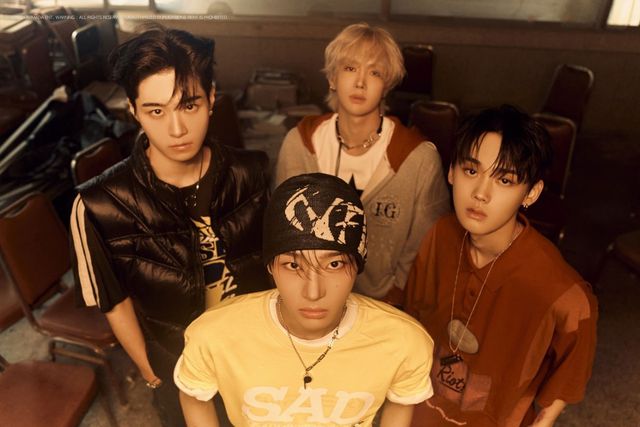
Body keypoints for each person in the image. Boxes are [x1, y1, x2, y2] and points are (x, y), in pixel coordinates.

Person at [70, 26, 270, 426]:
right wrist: (152, 373)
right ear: (133, 110)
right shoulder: (97, 204)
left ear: (211, 98)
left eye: (189, 105)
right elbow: (113, 301)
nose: (176, 129)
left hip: (256, 356)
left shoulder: (253, 171)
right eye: (156, 111)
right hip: (178, 367)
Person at [175, 173, 435, 426]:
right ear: (270, 266)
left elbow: (401, 404)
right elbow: (193, 395)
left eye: (334, 264)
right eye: (293, 265)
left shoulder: (404, 341)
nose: (313, 292)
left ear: (357, 265)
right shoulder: (215, 333)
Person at [405, 105, 598, 426]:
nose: (481, 193)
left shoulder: (562, 293)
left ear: (531, 193)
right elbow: (414, 316)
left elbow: (567, 378)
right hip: (421, 411)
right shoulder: (441, 234)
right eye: (471, 171)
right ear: (451, 172)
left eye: (505, 180)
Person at [274, 23, 450, 305]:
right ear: (332, 78)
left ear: (386, 85)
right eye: (350, 68)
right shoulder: (300, 144)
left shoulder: (418, 157)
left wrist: (395, 296)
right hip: (311, 299)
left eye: (375, 72)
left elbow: (426, 247)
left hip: (383, 305)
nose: (360, 82)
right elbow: (283, 237)